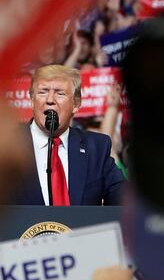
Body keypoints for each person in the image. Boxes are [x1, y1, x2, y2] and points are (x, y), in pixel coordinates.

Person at [7, 64, 125, 206]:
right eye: (42, 92)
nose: (50, 99)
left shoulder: (96, 148)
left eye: (59, 93)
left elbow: (124, 203)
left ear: (76, 104)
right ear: (32, 100)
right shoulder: (7, 146)